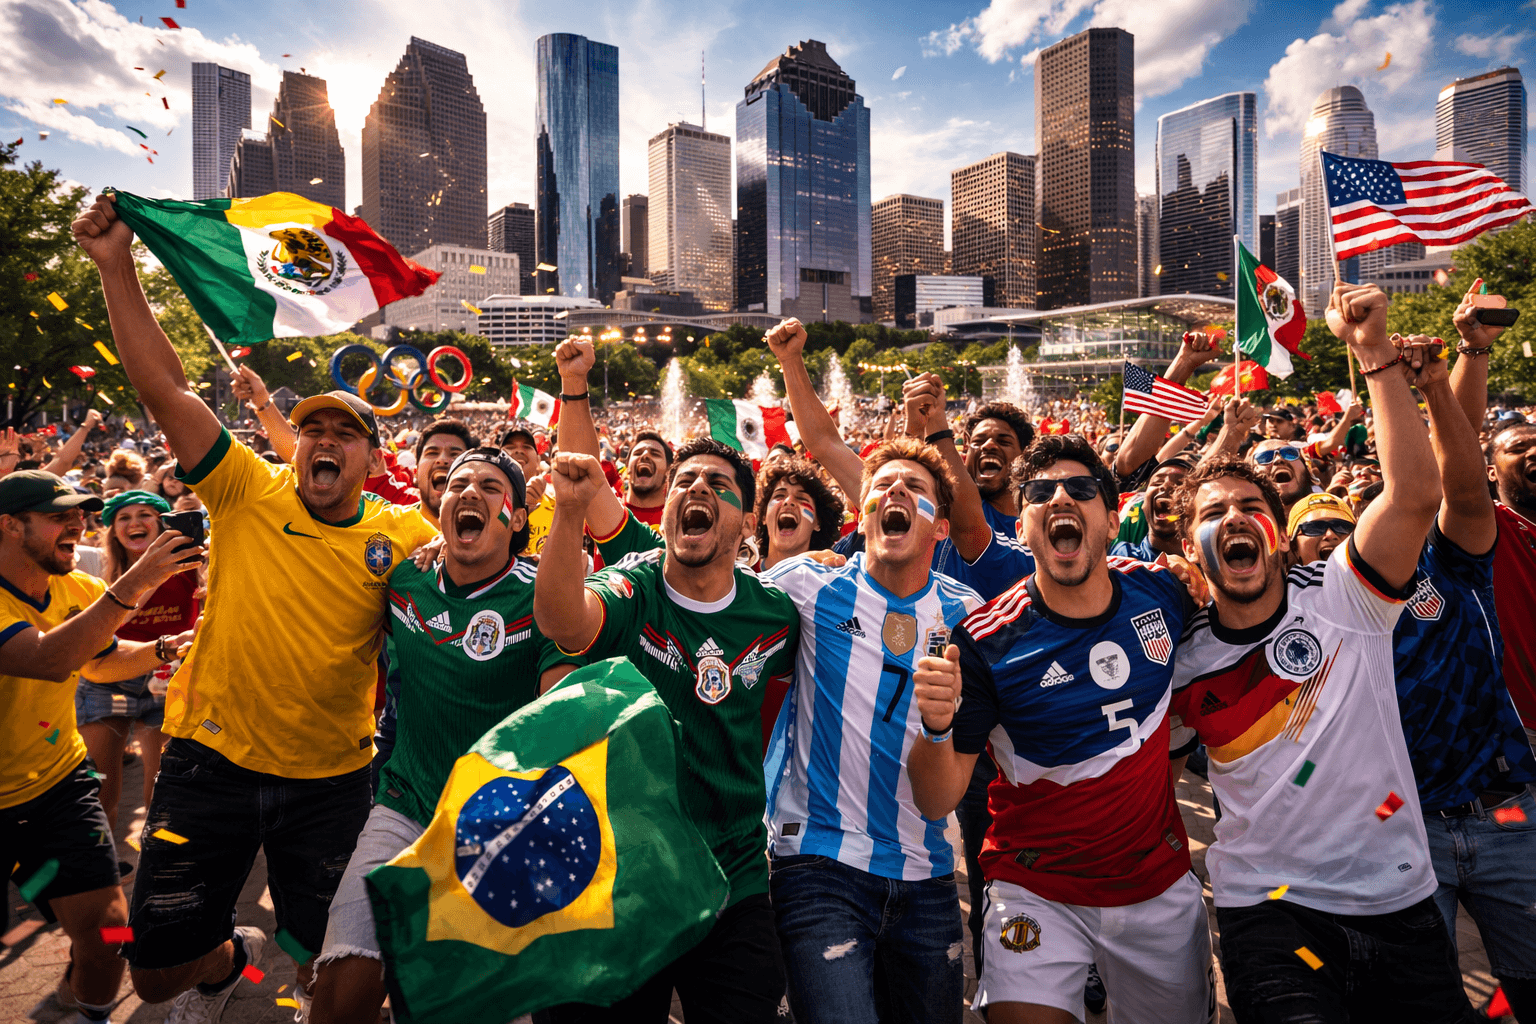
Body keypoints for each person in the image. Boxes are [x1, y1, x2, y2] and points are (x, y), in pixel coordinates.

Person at [72, 193, 440, 1024]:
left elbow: (480, 588)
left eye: (343, 434)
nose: (322, 441)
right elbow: (162, 387)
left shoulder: (403, 532)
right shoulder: (244, 488)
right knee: (156, 975)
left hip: (334, 781)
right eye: (312, 429)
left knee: (338, 970)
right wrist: (116, 265)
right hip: (211, 764)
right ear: (296, 443)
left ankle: (297, 983)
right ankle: (230, 957)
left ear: (370, 459)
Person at [1167, 284, 1478, 1022]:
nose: (1236, 520)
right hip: (1268, 911)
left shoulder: (1347, 595)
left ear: (1278, 532)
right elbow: (1153, 775)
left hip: (1399, 897)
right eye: (1214, 514)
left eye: (1253, 509)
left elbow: (1411, 497)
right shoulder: (1180, 660)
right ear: (1189, 545)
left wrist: (1373, 353)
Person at [906, 435, 1213, 1024]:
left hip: (1156, 884)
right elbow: (935, 797)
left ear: (1110, 512)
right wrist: (936, 727)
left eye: (1081, 489)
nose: (1061, 499)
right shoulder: (984, 641)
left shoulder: (1164, 590)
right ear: (1022, 525)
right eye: (1041, 493)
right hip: (1036, 888)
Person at [309, 448, 580, 1024]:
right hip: (405, 808)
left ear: (517, 516)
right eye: (458, 483)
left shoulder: (544, 599)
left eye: (490, 486)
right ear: (440, 507)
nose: (471, 493)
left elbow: (559, 714)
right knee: (339, 993)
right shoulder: (404, 579)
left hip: (500, 824)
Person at [533, 439, 798, 1023]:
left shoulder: (776, 615)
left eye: (719, 484)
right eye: (686, 481)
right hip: (619, 880)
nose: (697, 488)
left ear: (747, 520)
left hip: (732, 878)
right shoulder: (634, 588)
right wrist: (570, 512)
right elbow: (563, 620)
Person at [759, 437, 984, 1024]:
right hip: (816, 865)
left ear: (939, 529)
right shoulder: (806, 585)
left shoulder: (969, 616)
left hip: (927, 874)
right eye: (882, 486)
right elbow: (711, 599)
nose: (897, 493)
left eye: (917, 489)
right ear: (861, 518)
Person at [1, 470, 201, 1024]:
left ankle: (88, 1010)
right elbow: (46, 659)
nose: (77, 525)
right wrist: (133, 585)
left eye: (80, 515)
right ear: (11, 526)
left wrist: (164, 646)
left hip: (56, 791)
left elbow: (101, 661)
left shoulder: (79, 591)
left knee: (112, 933)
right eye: (59, 516)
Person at [76, 490, 199, 847]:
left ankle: (158, 858)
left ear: (161, 523)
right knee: (100, 785)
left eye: (145, 514)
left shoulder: (191, 563)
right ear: (113, 530)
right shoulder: (95, 567)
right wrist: (147, 577)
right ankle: (100, 867)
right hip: (109, 678)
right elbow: (105, 625)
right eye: (124, 518)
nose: (135, 523)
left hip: (166, 679)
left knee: (161, 783)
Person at [1445, 278, 1536, 744]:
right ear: (1491, 472)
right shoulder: (1485, 528)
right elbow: (1453, 442)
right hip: (1517, 740)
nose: (1533, 451)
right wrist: (1473, 350)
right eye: (1518, 447)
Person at [754, 455, 845, 570]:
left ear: (818, 522)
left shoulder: (830, 576)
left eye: (801, 498)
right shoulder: (738, 573)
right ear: (763, 516)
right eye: (780, 495)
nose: (788, 501)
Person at [410, 418, 475, 529]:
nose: (443, 459)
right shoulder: (389, 526)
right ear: (415, 473)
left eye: (455, 454)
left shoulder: (489, 535)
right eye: (432, 453)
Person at [622, 430, 672, 531]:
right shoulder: (606, 513)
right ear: (627, 466)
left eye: (655, 454)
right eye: (637, 453)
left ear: (669, 470)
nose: (645, 455)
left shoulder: (678, 522)